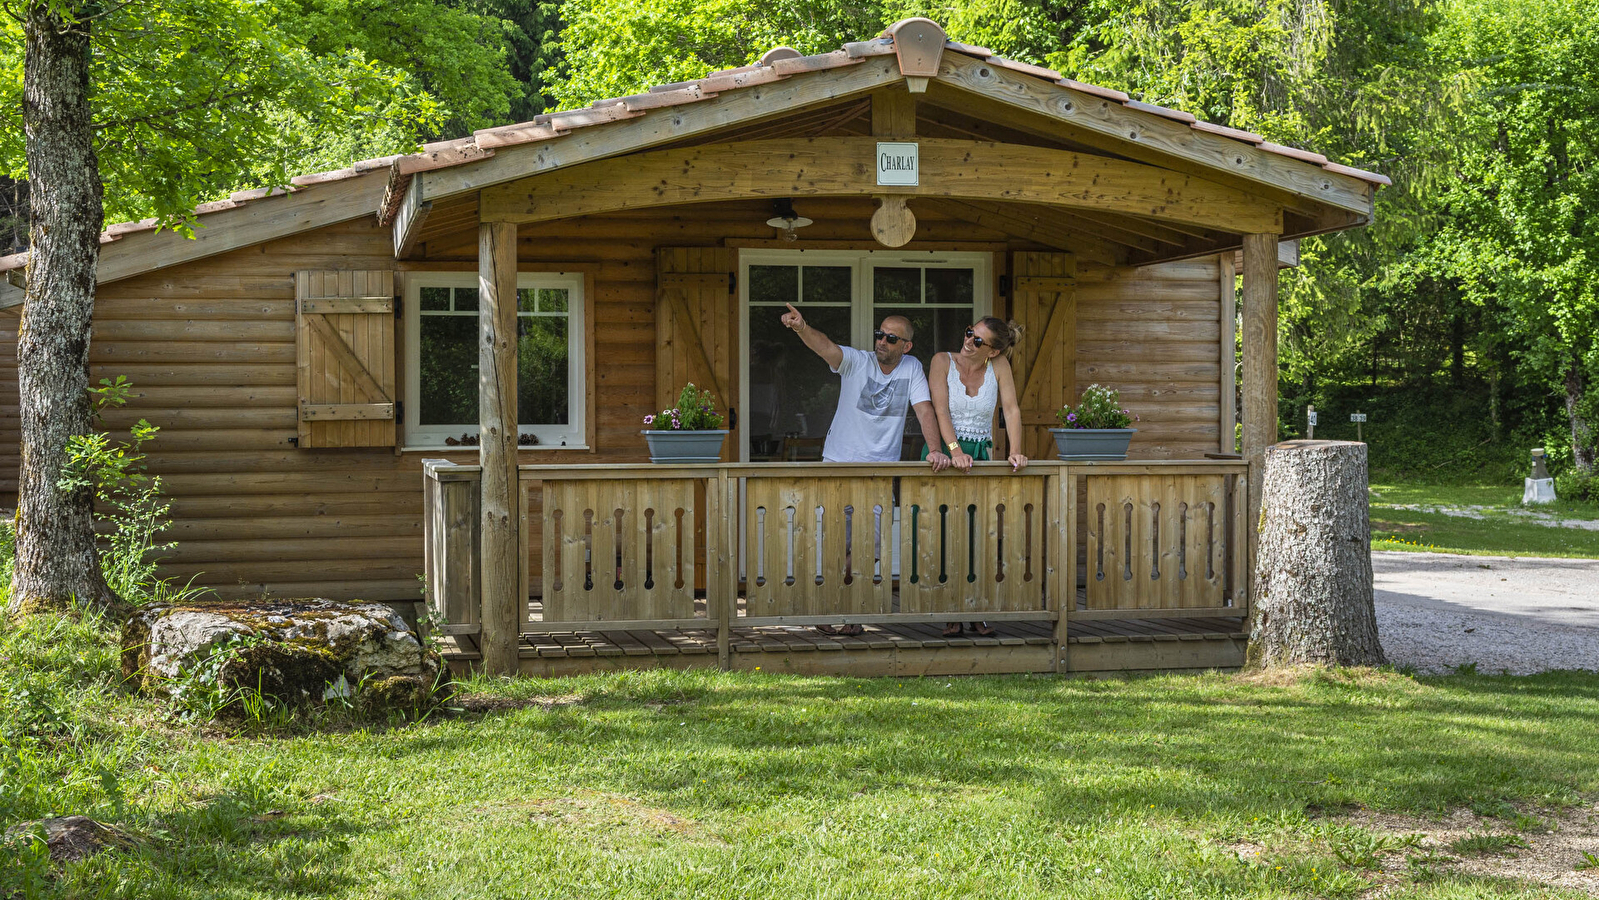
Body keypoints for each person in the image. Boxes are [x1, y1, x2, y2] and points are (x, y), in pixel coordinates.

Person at [779, 303, 950, 635]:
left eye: (890, 338)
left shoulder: (912, 368)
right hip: (838, 465)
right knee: (835, 544)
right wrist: (802, 328)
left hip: (879, 472)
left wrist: (935, 450)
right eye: (879, 334)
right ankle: (840, 609)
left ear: (906, 345)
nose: (882, 342)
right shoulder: (858, 362)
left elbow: (925, 411)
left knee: (869, 548)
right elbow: (825, 346)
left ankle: (838, 605)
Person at [925, 316, 1028, 637]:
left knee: (979, 536)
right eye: (970, 333)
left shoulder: (999, 368)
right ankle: (949, 611)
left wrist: (1016, 450)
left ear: (993, 352)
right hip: (945, 455)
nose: (970, 341)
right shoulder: (942, 361)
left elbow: (1011, 410)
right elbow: (940, 410)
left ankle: (977, 609)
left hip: (979, 458)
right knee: (943, 534)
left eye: (979, 340)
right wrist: (954, 451)